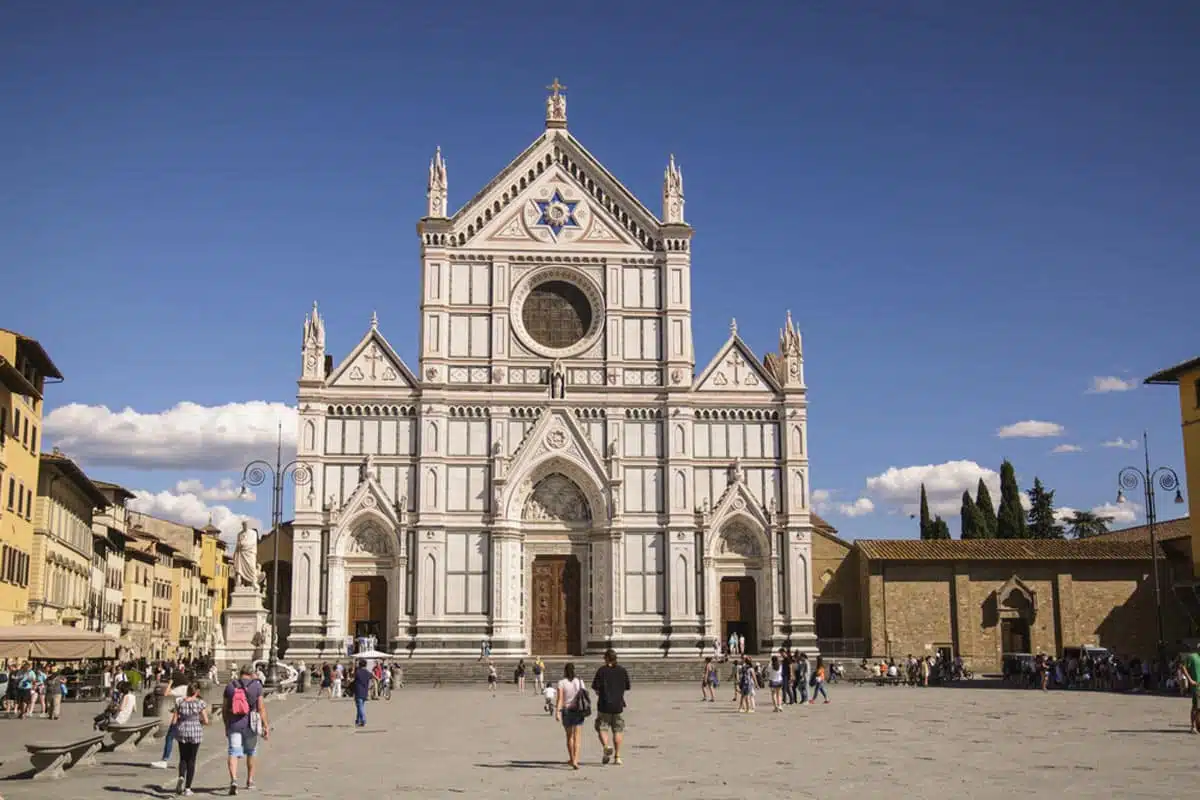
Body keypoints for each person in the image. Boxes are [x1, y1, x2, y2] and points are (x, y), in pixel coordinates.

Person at [224, 663, 269, 796]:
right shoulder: (257, 686)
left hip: (234, 723)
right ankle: (249, 780)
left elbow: (225, 708)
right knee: (251, 751)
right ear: (252, 673)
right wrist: (265, 725)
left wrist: (226, 724)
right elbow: (261, 708)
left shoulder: (230, 686)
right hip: (251, 724)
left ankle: (233, 780)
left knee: (233, 751)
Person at [592, 649, 630, 765]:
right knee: (618, 730)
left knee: (602, 727)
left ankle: (606, 746)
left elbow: (596, 688)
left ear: (607, 658)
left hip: (604, 705)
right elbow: (627, 687)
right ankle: (617, 757)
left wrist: (601, 692)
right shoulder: (622, 671)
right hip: (618, 705)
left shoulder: (602, 671)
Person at [170, 682, 209, 796]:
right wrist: (199, 721)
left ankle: (181, 776)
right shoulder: (200, 703)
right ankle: (188, 788)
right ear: (197, 692)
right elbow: (206, 721)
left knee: (183, 757)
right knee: (192, 759)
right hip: (195, 731)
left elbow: (174, 720)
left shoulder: (179, 702)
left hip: (182, 730)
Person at [151, 674, 190, 769]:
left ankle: (165, 760)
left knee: (169, 737)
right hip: (187, 717)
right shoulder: (188, 688)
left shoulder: (181, 688)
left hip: (179, 717)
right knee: (185, 739)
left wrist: (170, 683)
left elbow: (166, 693)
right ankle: (187, 760)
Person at [555, 663, 586, 769]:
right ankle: (576, 760)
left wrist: (557, 712)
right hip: (578, 710)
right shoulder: (580, 682)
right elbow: (584, 695)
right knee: (577, 737)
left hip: (566, 711)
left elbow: (559, 699)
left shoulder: (561, 683)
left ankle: (572, 758)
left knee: (569, 736)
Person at [1182, 646, 1200, 734]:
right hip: (1197, 686)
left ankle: (1198, 725)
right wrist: (1190, 680)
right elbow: (1183, 667)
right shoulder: (1192, 657)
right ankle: (1193, 727)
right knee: (1196, 706)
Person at [352, 659, 372, 727]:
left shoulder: (358, 672)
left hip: (358, 691)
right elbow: (372, 677)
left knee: (360, 707)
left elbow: (353, 678)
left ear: (359, 665)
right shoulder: (367, 672)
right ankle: (358, 721)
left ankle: (363, 720)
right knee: (360, 707)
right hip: (365, 691)